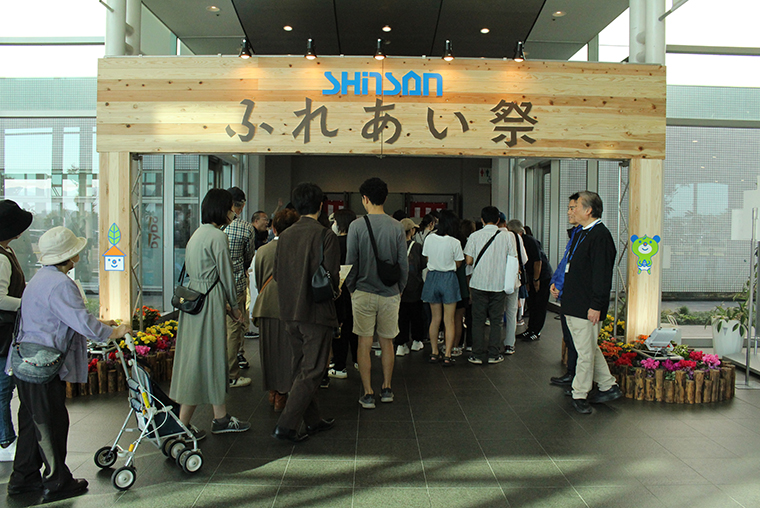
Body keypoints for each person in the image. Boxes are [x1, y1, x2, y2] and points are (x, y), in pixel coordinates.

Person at [6, 226, 131, 501]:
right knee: (51, 423)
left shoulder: (40, 278)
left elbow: (64, 316)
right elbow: (82, 322)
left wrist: (101, 322)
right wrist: (113, 331)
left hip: (25, 361)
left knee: (31, 423)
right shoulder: (61, 284)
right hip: (43, 364)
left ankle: (23, 479)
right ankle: (57, 482)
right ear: (71, 255)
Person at [170, 188, 251, 435]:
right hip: (209, 303)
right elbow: (226, 275)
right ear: (222, 209)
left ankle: (218, 417)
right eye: (230, 208)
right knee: (211, 357)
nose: (233, 213)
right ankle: (188, 424)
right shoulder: (218, 237)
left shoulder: (197, 234)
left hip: (195, 300)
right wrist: (235, 308)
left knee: (199, 357)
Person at [272, 182, 339, 442]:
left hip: (289, 311)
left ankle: (313, 421)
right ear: (320, 205)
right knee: (313, 370)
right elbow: (332, 277)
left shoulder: (285, 235)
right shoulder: (325, 235)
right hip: (316, 312)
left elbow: (277, 274)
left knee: (300, 366)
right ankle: (286, 425)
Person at [346, 177, 408, 409]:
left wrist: (352, 289)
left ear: (365, 199)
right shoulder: (397, 226)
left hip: (363, 292)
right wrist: (399, 289)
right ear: (385, 198)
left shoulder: (356, 226)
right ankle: (387, 388)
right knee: (387, 342)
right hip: (390, 294)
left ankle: (368, 393)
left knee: (364, 342)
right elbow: (403, 265)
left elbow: (350, 263)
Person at [562, 191, 622, 414]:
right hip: (575, 302)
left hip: (586, 305)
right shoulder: (582, 233)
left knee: (585, 353)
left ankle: (580, 394)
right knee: (587, 348)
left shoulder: (600, 236)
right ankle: (608, 385)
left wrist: (596, 305)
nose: (570, 211)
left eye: (574, 207)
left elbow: (601, 276)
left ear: (588, 210)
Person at [252, 208, 300, 412]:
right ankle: (282, 393)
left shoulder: (263, 251)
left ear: (274, 228)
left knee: (269, 351)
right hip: (291, 308)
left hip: (266, 306)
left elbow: (258, 280)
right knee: (288, 352)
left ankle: (272, 391)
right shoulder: (298, 250)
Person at [0, 200, 33, 457]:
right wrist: (28, 303)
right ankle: (4, 441)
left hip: (6, 331)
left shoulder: (6, 252)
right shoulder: (1, 257)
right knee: (2, 388)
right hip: (2, 333)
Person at [464, 207, 516, 364]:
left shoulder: (474, 236)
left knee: (478, 320)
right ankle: (494, 354)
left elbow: (469, 261)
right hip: (499, 284)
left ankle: (477, 354)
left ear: (482, 220)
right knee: (496, 320)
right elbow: (513, 259)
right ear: (498, 220)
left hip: (478, 284)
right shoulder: (508, 236)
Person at [421, 209, 463, 365]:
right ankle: (447, 354)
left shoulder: (430, 238)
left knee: (435, 319)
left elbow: (426, 258)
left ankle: (434, 352)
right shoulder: (455, 242)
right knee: (449, 320)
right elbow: (458, 263)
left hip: (432, 277)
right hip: (449, 278)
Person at [549, 194, 583, 386]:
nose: (569, 212)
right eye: (569, 208)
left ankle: (576, 378)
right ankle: (571, 373)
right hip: (567, 294)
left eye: (572, 208)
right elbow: (565, 262)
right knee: (569, 338)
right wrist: (555, 283)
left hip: (578, 297)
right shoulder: (576, 234)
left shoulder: (589, 235)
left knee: (576, 340)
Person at [224, 187, 254, 387]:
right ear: (242, 206)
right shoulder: (245, 228)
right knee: (234, 327)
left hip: (215, 285)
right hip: (236, 284)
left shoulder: (216, 228)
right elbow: (248, 256)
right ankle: (231, 374)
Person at [510, 220, 553, 342]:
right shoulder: (518, 242)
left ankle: (536, 331)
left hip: (542, 277)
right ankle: (530, 329)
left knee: (540, 305)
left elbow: (538, 261)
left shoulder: (529, 241)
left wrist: (536, 279)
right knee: (532, 304)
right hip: (531, 277)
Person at [329, 208, 359, 379]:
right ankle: (358, 360)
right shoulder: (358, 243)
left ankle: (340, 365)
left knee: (340, 327)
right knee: (355, 327)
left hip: (339, 290)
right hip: (357, 290)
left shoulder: (334, 243)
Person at [395, 218, 426, 356]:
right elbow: (423, 266)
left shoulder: (395, 246)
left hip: (399, 288)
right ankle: (416, 341)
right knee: (416, 316)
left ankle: (401, 344)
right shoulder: (417, 246)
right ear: (412, 230)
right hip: (415, 287)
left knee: (401, 317)